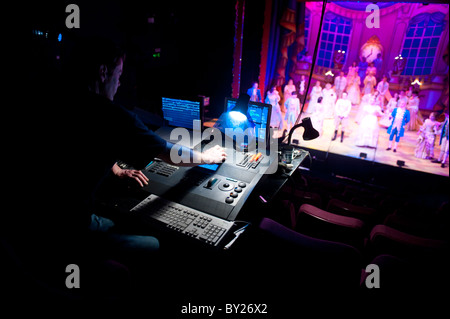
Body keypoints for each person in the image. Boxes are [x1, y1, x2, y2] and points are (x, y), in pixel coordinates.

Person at [40, 37, 227, 266]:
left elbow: (84, 143)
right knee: (156, 244)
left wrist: (117, 170)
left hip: (38, 222)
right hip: (71, 231)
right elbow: (168, 153)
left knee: (117, 221)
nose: (118, 84)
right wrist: (207, 157)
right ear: (102, 72)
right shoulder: (112, 117)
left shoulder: (52, 97)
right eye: (118, 76)